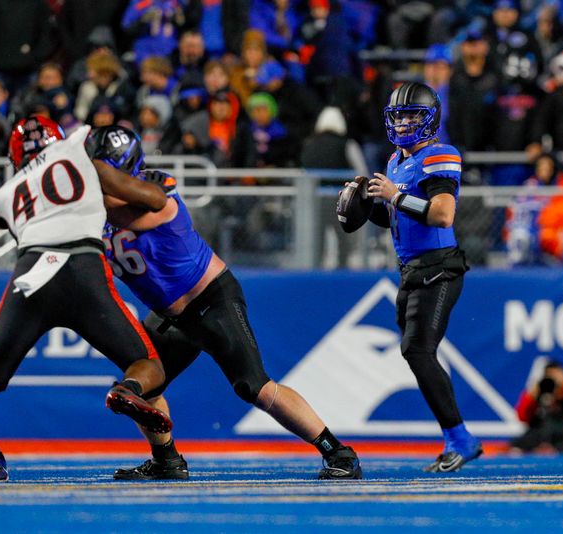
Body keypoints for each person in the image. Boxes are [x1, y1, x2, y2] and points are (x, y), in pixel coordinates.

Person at [93, 125, 362, 480]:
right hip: (169, 315)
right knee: (142, 383)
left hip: (210, 298)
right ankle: (166, 459)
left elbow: (129, 214)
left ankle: (338, 452)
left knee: (254, 386)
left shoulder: (155, 187)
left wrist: (85, 195)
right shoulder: (93, 210)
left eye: (96, 168)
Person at [0, 116, 173, 482]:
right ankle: (125, 391)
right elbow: (152, 199)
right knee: (148, 363)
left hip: (33, 270)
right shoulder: (78, 145)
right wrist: (151, 190)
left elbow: (2, 215)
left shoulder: (5, 195)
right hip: (83, 267)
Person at [356, 82, 482, 472]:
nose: (404, 122)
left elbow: (442, 214)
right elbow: (394, 215)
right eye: (399, 116)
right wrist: (365, 202)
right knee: (415, 350)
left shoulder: (440, 155)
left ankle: (461, 438)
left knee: (417, 349)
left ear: (430, 119)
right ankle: (455, 438)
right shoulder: (395, 161)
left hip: (440, 266)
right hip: (411, 270)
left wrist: (393, 196)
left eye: (412, 115)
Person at [511, 360, 563, 453]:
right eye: (549, 375)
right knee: (520, 442)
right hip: (544, 432)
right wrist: (532, 396)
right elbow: (522, 417)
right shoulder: (539, 390)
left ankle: (555, 450)